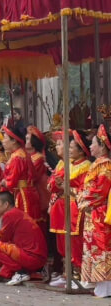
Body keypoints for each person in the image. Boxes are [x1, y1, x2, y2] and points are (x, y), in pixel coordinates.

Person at [47, 129, 92, 289]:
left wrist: (65, 187)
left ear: (81, 150)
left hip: (76, 209)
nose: (69, 150)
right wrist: (58, 184)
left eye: (72, 147)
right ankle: (68, 274)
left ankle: (78, 275)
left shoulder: (86, 167)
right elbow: (53, 186)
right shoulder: (67, 165)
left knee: (76, 243)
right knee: (63, 243)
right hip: (65, 207)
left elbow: (84, 190)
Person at [78, 124, 111, 298]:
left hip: (101, 212)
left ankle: (106, 287)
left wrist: (83, 198)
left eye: (93, 143)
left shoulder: (106, 166)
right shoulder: (97, 164)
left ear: (102, 146)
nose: (90, 146)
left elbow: (100, 191)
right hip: (94, 212)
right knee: (93, 248)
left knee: (102, 248)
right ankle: (97, 283)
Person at [0, 191, 47, 285]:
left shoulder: (10, 214)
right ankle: (14, 272)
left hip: (32, 258)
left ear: (6, 204)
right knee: (8, 246)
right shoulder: (16, 212)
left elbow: (3, 238)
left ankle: (21, 272)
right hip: (36, 258)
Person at [0, 126, 41, 223]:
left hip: (22, 195)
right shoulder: (21, 153)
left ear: (14, 141)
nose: (3, 141)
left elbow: (11, 181)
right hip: (27, 192)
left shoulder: (17, 157)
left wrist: (4, 182)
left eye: (5, 138)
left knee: (23, 222)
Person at [26, 126, 51, 227]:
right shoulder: (29, 156)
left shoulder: (38, 158)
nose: (25, 141)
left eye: (28, 139)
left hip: (38, 192)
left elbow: (32, 176)